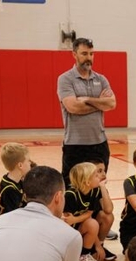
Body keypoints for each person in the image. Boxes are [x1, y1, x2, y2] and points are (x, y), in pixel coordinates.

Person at [57, 37, 116, 186]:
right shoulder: (65, 79)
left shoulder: (101, 79)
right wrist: (99, 103)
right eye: (84, 53)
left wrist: (86, 99)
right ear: (74, 54)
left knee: (98, 187)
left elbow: (111, 103)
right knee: (72, 188)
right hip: (75, 145)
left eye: (91, 53)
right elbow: (73, 107)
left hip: (99, 144)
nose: (89, 58)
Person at [63, 162, 112, 261]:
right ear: (87, 181)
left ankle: (84, 256)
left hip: (77, 229)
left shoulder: (94, 191)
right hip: (65, 232)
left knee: (92, 224)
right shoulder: (70, 195)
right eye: (95, 175)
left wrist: (98, 245)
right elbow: (65, 221)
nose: (99, 176)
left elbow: (89, 213)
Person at [0, 142, 33, 214]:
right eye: (28, 160)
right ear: (20, 165)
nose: (30, 163)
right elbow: (13, 216)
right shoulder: (9, 190)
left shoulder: (19, 181)